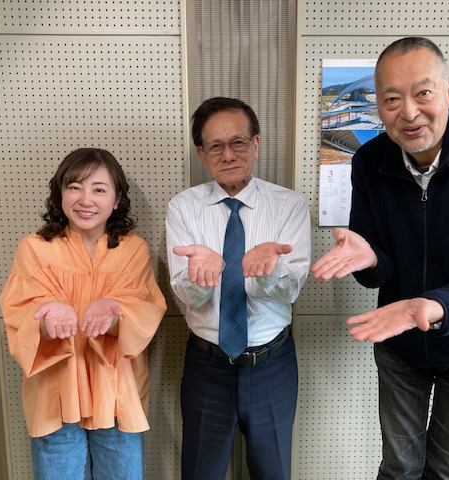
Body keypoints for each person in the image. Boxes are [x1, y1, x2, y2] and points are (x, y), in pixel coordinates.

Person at [312, 37, 449, 479]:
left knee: (447, 469)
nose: (409, 112)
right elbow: (379, 270)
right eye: (392, 99)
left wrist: (433, 306)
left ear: (448, 92)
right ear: (379, 106)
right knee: (399, 467)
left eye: (423, 93)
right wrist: (369, 259)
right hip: (401, 343)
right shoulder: (370, 161)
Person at [0, 148, 167, 479]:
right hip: (55, 395)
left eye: (99, 189)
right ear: (60, 193)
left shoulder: (133, 250)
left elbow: (144, 310)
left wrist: (114, 315)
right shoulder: (35, 248)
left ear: (116, 200)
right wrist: (47, 320)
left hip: (116, 394)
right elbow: (19, 312)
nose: (85, 200)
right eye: (74, 187)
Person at [166, 97, 311, 480]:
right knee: (201, 473)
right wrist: (203, 276)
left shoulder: (289, 206)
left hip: (272, 366)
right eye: (215, 146)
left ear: (256, 144)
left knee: (273, 472)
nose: (228, 155)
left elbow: (291, 291)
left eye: (238, 143)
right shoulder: (183, 208)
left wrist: (266, 273)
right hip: (207, 366)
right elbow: (187, 295)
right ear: (201, 153)